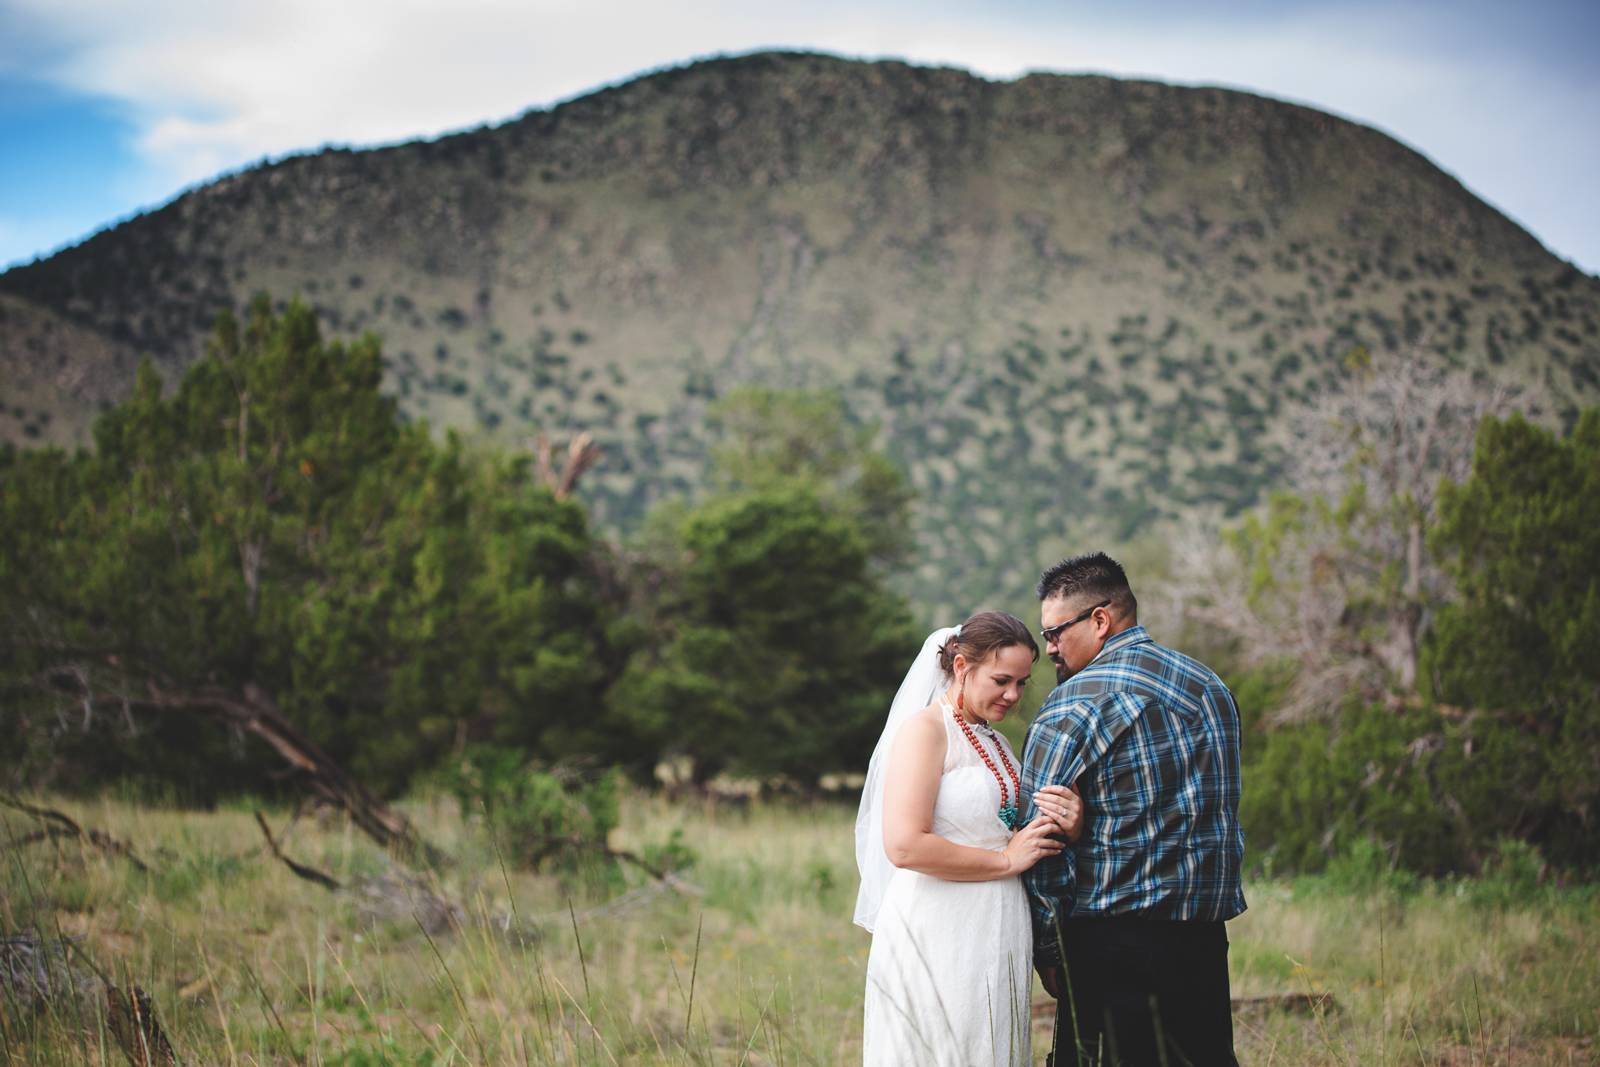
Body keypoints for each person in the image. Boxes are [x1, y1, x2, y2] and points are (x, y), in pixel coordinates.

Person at [1022, 553, 1245, 1067]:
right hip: (1204, 938)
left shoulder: (1074, 704)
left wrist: (1050, 951)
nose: (1049, 648)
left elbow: (1038, 838)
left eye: (1055, 633)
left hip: (1113, 943)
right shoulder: (1211, 686)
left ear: (1100, 619)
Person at [856, 611, 1083, 1066]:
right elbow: (903, 844)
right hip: (939, 928)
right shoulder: (925, 731)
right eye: (1002, 680)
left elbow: (1011, 830)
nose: (1013, 695)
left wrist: (1071, 823)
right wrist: (1004, 862)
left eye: (1022, 683)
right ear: (962, 666)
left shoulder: (996, 743)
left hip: (999, 929)